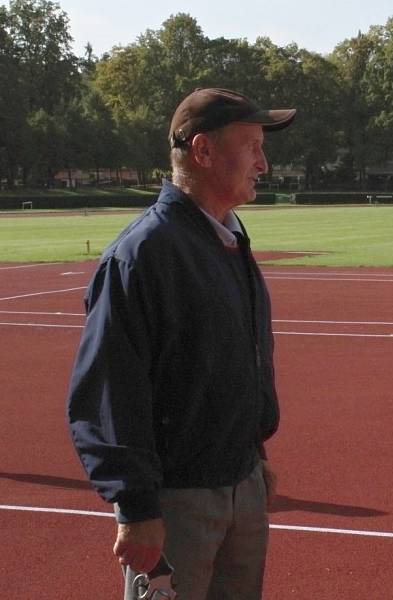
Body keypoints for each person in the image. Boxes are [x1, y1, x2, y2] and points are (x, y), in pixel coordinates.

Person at [66, 88, 295, 599]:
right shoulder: (142, 255)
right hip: (176, 505)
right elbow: (109, 391)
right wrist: (137, 506)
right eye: (252, 145)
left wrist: (252, 455)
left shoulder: (227, 238)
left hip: (241, 485)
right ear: (203, 151)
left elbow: (233, 364)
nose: (264, 161)